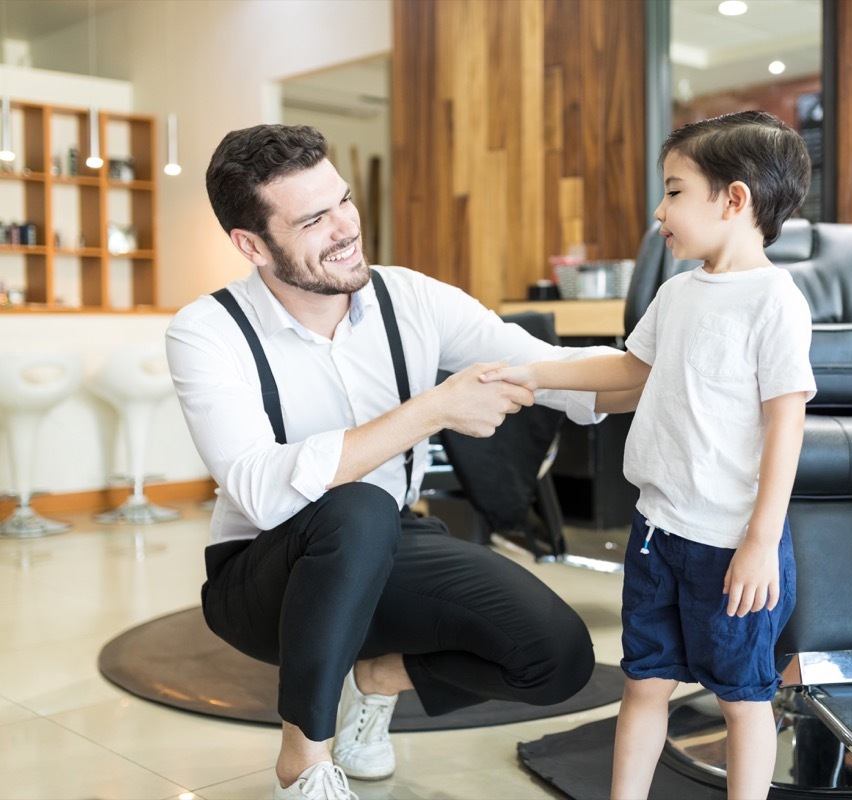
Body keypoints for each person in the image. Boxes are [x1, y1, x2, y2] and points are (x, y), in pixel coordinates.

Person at [165, 124, 630, 800]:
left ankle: (375, 681)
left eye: (344, 202)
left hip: (391, 540)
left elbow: (549, 368)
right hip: (261, 574)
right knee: (355, 506)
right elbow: (262, 494)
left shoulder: (410, 298)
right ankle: (304, 761)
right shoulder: (207, 331)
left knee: (555, 657)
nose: (345, 228)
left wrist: (679, 361)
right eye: (314, 219)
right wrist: (433, 410)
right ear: (252, 245)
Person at [481, 110, 815, 800]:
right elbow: (630, 374)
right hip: (659, 533)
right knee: (643, 682)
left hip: (732, 546)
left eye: (674, 191)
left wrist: (762, 540)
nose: (657, 209)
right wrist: (536, 373)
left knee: (742, 695)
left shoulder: (774, 301)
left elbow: (788, 423)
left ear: (734, 200)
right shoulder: (677, 292)